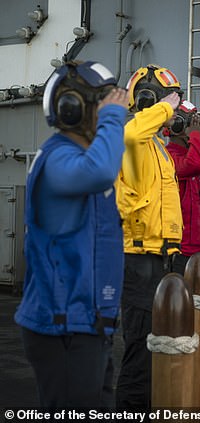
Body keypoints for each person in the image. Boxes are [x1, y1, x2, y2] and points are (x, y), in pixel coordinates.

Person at [14, 61, 128, 408]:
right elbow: (100, 173)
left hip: (89, 323)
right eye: (104, 105)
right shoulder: (58, 159)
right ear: (72, 109)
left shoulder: (79, 157)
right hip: (62, 327)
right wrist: (112, 120)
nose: (115, 115)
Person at [115, 64, 183, 410]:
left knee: (153, 343)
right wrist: (166, 106)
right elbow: (130, 135)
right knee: (139, 346)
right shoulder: (132, 136)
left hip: (158, 255)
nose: (173, 111)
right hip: (137, 256)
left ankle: (146, 407)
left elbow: (165, 202)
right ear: (147, 100)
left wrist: (173, 243)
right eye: (169, 102)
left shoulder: (155, 146)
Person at [165, 100, 200, 275]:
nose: (198, 129)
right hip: (179, 248)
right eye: (192, 124)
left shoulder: (188, 153)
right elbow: (195, 165)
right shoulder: (169, 156)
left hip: (194, 245)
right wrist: (195, 136)